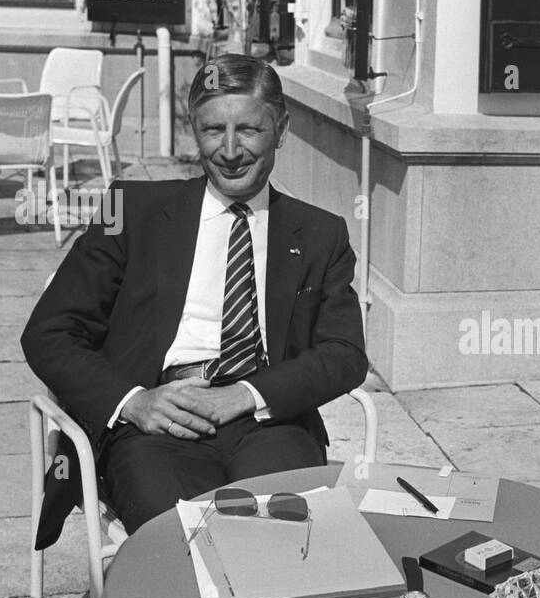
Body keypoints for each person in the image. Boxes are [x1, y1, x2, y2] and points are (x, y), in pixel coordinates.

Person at [23, 54, 367, 538]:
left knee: (286, 537)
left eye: (248, 129)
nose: (229, 150)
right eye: (212, 131)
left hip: (268, 422)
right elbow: (49, 332)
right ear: (194, 131)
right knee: (182, 542)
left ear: (281, 129)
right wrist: (134, 401)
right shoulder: (131, 211)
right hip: (155, 430)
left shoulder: (319, 233)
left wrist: (246, 395)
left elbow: (346, 354)